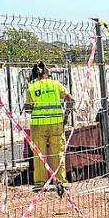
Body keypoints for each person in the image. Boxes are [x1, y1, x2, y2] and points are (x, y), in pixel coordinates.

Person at [23, 62, 73, 190]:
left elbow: (28, 109)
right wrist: (66, 116)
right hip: (56, 123)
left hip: (38, 125)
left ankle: (40, 183)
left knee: (39, 154)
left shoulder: (32, 88)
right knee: (58, 153)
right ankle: (61, 181)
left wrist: (29, 106)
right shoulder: (56, 85)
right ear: (47, 73)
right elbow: (70, 100)